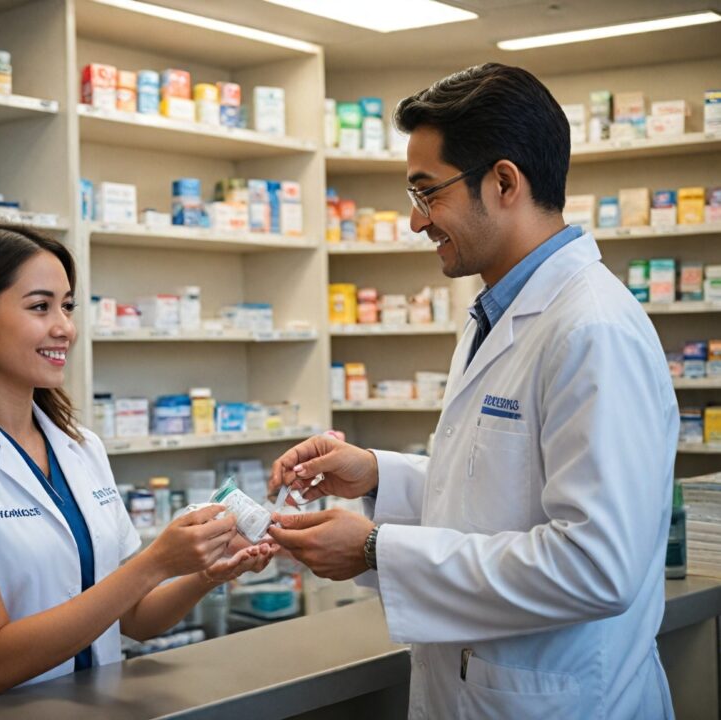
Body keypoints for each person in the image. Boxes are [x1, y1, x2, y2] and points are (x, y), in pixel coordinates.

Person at [268, 64, 677, 719]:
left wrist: (375, 547)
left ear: (504, 181)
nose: (414, 221)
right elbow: (502, 493)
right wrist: (376, 475)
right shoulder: (501, 309)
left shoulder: (590, 328)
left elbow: (596, 565)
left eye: (427, 192)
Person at [0, 223, 275, 710]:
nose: (64, 326)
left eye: (67, 305)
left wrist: (205, 570)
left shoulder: (80, 446)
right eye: (39, 306)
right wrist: (156, 562)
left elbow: (134, 619)